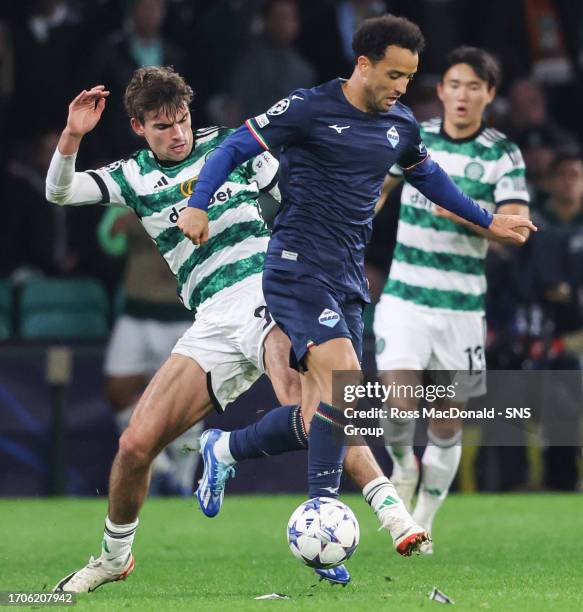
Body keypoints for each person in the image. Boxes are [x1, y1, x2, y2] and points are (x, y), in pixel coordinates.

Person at [46, 65, 428, 593]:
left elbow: (297, 194)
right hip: (210, 319)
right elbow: (59, 193)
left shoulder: (231, 146)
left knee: (311, 399)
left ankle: (388, 514)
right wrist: (72, 136)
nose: (177, 133)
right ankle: (115, 556)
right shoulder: (130, 176)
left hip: (271, 291)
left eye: (182, 120)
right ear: (138, 127)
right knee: (135, 445)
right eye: (162, 127)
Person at [179, 14, 535, 542]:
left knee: (324, 410)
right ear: (363, 64)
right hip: (296, 266)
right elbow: (234, 147)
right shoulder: (308, 108)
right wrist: (198, 204)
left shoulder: (402, 125)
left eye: (409, 78)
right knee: (347, 376)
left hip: (347, 278)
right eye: (393, 75)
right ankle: (322, 512)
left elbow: (431, 179)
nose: (401, 88)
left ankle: (224, 447)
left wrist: (489, 219)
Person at [373, 47, 531, 552]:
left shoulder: (501, 153)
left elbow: (516, 229)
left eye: (474, 87)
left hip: (461, 307)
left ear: (489, 94)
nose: (463, 95)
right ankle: (402, 464)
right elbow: (374, 192)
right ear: (440, 91)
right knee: (398, 405)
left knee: (445, 421)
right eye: (455, 85)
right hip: (404, 298)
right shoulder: (414, 137)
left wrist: (460, 211)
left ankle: (422, 522)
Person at [98, 207, 200, 496]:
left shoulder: (205, 185)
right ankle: (161, 469)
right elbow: (109, 241)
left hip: (182, 313)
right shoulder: (135, 183)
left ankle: (182, 482)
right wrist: (120, 227)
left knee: (188, 403)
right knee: (117, 391)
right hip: (136, 311)